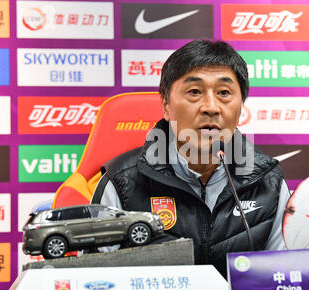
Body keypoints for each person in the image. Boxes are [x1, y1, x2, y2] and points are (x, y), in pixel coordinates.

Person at [91, 39, 290, 277]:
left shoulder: (268, 183)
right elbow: (95, 283)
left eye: (224, 93)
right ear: (166, 105)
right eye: (194, 92)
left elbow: (285, 281)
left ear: (241, 107)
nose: (211, 107)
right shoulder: (122, 183)